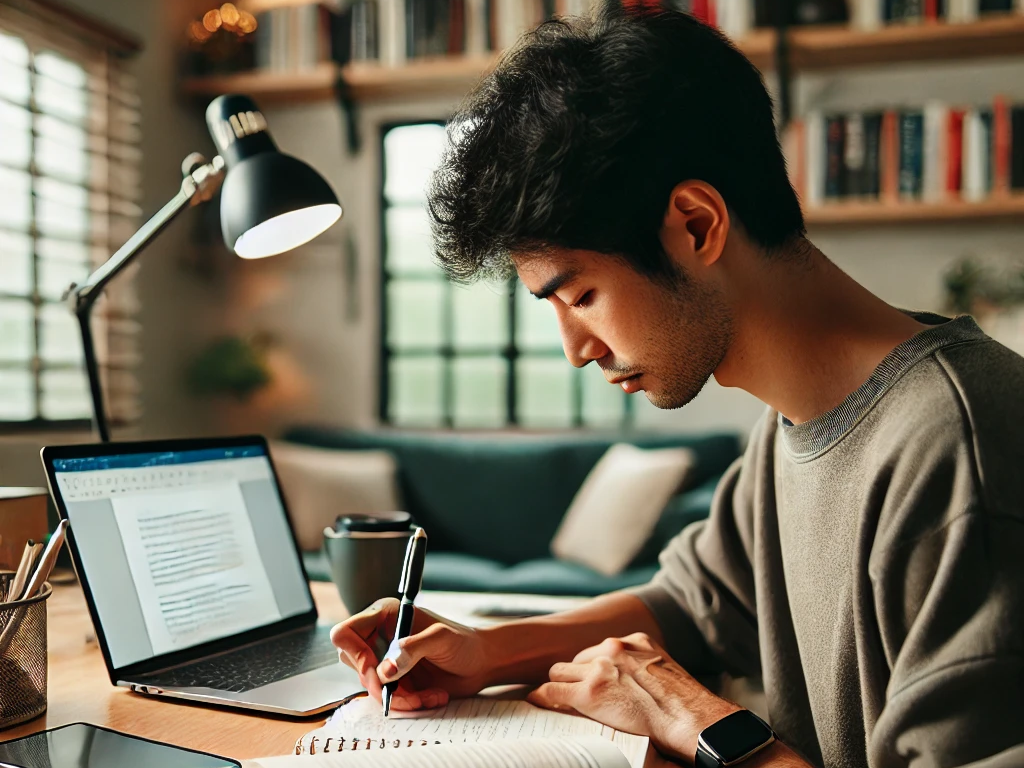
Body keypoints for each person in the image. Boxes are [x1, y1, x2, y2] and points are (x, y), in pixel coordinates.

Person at [331, 8, 1024, 768]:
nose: (577, 350)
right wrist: (485, 651)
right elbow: (691, 606)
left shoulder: (961, 443)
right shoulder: (797, 422)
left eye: (581, 296)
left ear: (696, 226)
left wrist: (694, 718)